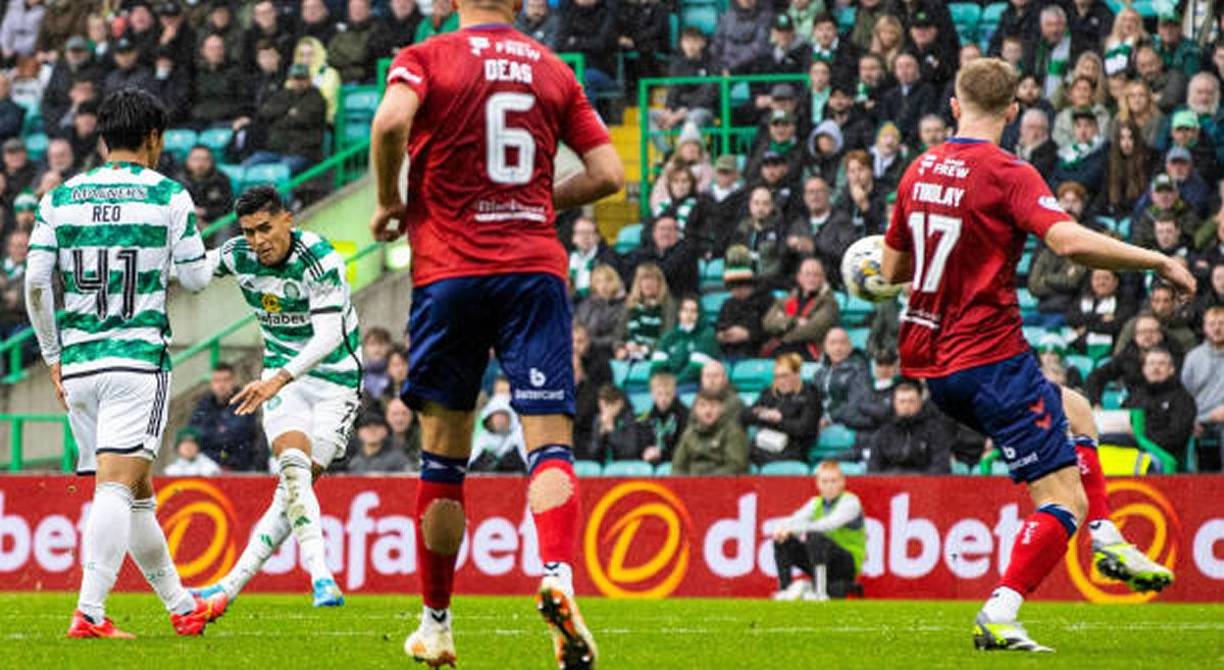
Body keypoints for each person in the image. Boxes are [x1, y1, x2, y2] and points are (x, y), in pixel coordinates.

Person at [880, 58, 1193, 651]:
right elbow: (1068, 242)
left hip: (935, 364)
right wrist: (1155, 259)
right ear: (1014, 111)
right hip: (990, 358)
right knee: (1061, 501)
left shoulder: (918, 169)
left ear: (953, 104)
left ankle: (1106, 535)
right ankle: (1002, 611)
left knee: (1074, 408)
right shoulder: (1007, 172)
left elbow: (892, 269)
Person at [369, 1, 623, 664]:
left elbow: (390, 122)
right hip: (532, 270)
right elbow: (608, 175)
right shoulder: (553, 69)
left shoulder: (426, 58)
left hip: (450, 273)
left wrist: (391, 200)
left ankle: (437, 626)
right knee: (549, 446)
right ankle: (559, 579)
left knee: (443, 459)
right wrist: (541, 198)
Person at [24, 88, 224, 638]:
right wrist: (227, 257)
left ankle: (182, 606)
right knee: (115, 486)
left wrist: (53, 357)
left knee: (135, 492)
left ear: (103, 135)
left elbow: (37, 283)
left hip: (81, 365)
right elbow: (197, 278)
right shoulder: (169, 195)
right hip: (136, 361)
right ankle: (89, 611)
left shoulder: (60, 198)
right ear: (154, 138)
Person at [192, 187, 363, 609]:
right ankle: (321, 577)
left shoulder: (318, 259)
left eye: (265, 228)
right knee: (293, 469)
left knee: (291, 491)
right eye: (248, 232)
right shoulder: (238, 255)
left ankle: (228, 588)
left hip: (336, 381)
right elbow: (192, 273)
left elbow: (326, 337)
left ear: (288, 219)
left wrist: (277, 379)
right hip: (285, 380)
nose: (257, 241)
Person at [770, 461, 865, 601]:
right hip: (822, 558)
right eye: (825, 481)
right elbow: (794, 519)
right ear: (818, 484)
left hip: (846, 562)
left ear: (842, 483)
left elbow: (828, 524)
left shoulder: (851, 502)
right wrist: (781, 529)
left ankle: (819, 592)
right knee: (783, 540)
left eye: (834, 481)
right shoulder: (816, 503)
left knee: (815, 537)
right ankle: (785, 589)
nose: (829, 486)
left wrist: (792, 528)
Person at [742, 353, 820, 465]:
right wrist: (761, 414)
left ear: (796, 374)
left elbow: (804, 429)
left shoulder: (810, 394)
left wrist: (779, 420)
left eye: (785, 376)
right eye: (777, 377)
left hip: (793, 449)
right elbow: (745, 414)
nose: (781, 381)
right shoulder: (770, 392)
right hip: (764, 445)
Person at [1123, 346, 1196, 466]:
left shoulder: (1182, 398)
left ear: (1171, 369)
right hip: (1130, 451)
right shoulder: (1135, 396)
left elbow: (1177, 436)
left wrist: (1141, 440)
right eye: (1151, 364)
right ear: (1144, 369)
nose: (1156, 368)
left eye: (1161, 364)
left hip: (1162, 456)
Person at [865, 378, 952, 474]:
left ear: (919, 402)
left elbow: (941, 467)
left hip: (924, 485)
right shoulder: (883, 432)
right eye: (902, 401)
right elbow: (873, 469)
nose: (906, 405)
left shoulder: (935, 431)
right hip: (890, 485)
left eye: (911, 401)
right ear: (894, 403)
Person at [762, 257, 839, 360]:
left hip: (808, 353)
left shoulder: (829, 303)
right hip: (780, 349)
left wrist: (783, 330)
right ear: (799, 277)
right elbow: (768, 323)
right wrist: (794, 320)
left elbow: (812, 330)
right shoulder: (787, 299)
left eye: (816, 275)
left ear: (823, 278)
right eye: (807, 274)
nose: (811, 279)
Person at [187, 363, 261, 470]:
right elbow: (193, 433)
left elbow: (238, 435)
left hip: (239, 465)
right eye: (217, 381)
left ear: (233, 381)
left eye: (226, 380)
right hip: (206, 464)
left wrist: (210, 436)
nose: (221, 385)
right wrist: (220, 432)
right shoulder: (204, 404)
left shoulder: (245, 402)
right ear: (211, 383)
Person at [1182, 305, 1224, 471]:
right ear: (1205, 327)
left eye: (1221, 323)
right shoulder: (1193, 357)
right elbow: (1185, 394)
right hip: (1200, 419)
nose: (1217, 328)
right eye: (1212, 324)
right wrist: (1192, 419)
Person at [671, 388, 749, 475]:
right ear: (696, 409)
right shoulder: (689, 433)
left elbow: (736, 465)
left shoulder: (733, 431)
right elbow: (678, 466)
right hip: (692, 483)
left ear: (721, 408)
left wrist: (706, 481)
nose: (708, 411)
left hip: (722, 484)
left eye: (713, 405)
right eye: (702, 405)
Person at [651, 294, 718, 386]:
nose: (688, 315)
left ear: (699, 314)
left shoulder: (707, 334)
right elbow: (657, 366)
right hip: (668, 386)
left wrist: (671, 383)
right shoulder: (669, 335)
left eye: (693, 311)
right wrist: (655, 384)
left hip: (694, 385)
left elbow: (695, 369)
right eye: (685, 310)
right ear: (679, 313)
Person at [180, 145, 233, 238]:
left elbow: (228, 207)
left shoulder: (221, 180)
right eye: (196, 159)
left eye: (205, 159)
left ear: (212, 161)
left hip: (216, 223)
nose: (200, 164)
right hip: (189, 222)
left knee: (227, 226)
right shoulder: (178, 180)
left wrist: (205, 212)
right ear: (187, 161)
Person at [636, 371, 688, 466]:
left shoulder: (684, 415)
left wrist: (662, 454)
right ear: (652, 394)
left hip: (675, 462)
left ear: (674, 393)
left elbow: (684, 447)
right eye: (659, 394)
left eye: (667, 394)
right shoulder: (648, 416)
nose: (663, 398)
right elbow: (643, 440)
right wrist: (646, 451)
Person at [469, 391, 528, 472]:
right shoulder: (481, 439)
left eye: (502, 415)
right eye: (496, 416)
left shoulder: (519, 437)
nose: (499, 420)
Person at [348, 412, 414, 473]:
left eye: (377, 426)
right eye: (366, 426)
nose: (372, 430)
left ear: (386, 431)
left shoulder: (398, 460)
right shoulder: (355, 462)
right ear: (359, 433)